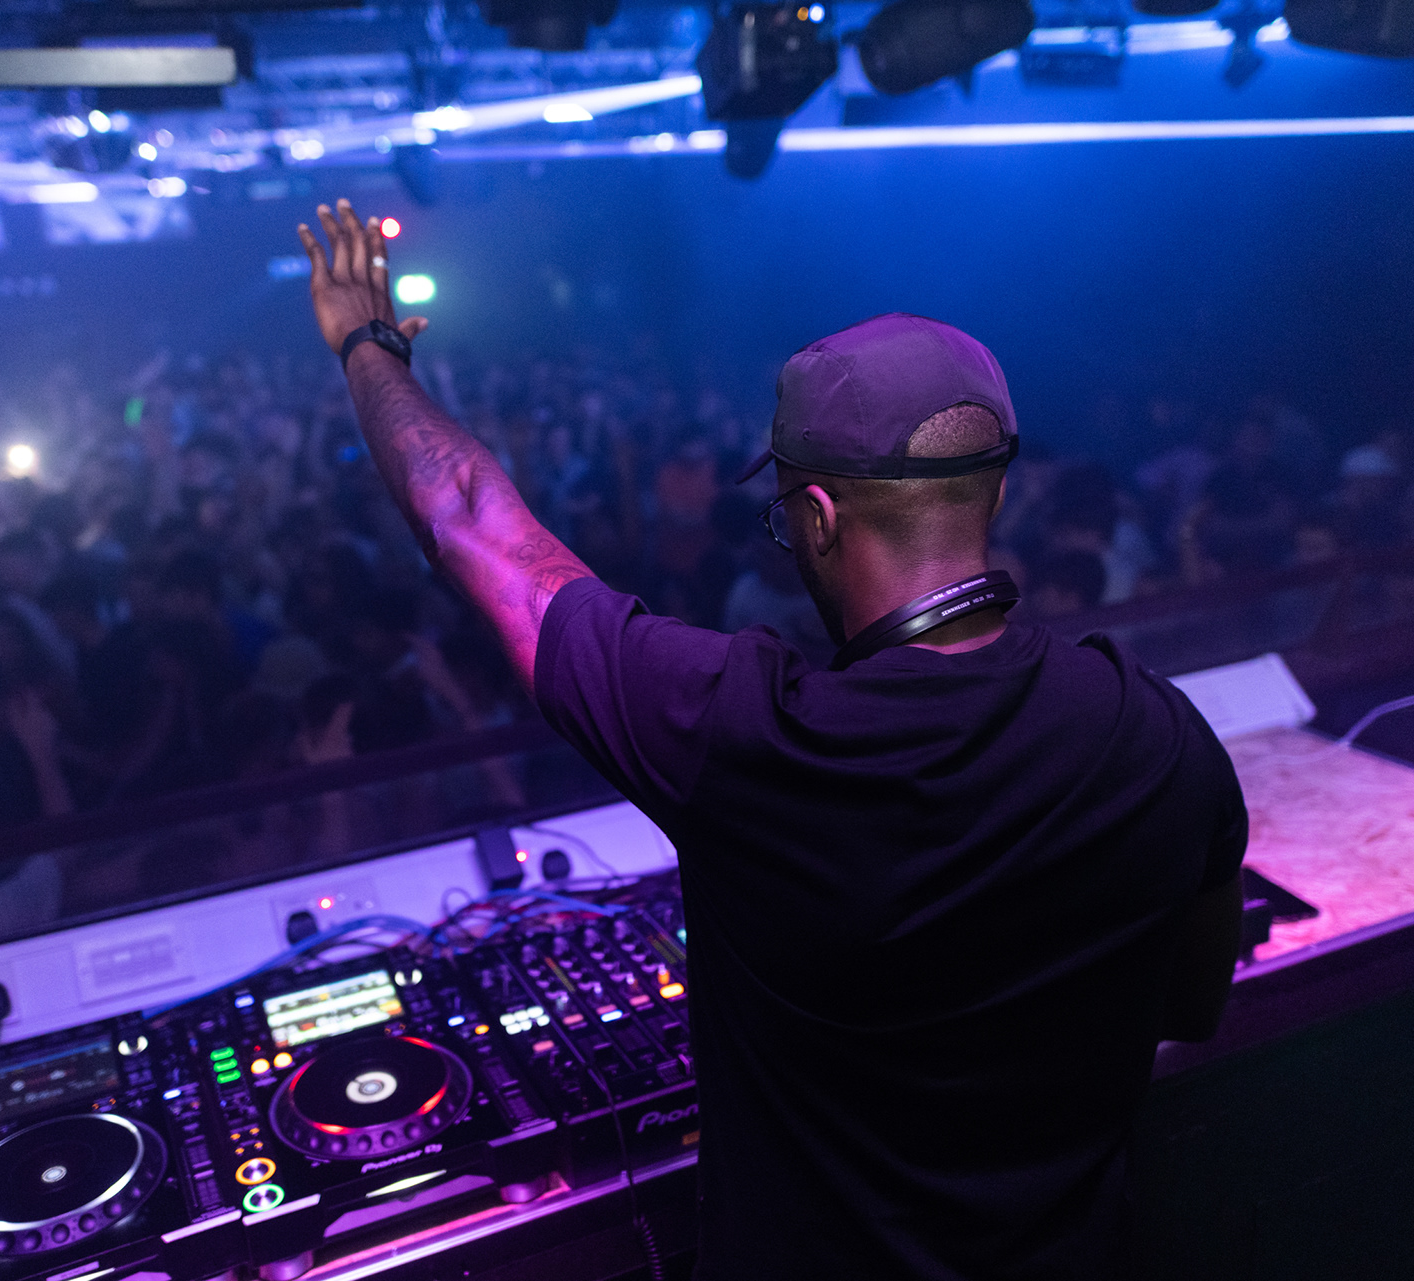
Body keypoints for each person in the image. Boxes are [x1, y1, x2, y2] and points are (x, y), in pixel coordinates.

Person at [294, 199, 1247, 1279]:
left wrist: (366, 345)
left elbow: (472, 522)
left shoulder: (750, 735)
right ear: (991, 494)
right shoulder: (1156, 730)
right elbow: (1193, 1004)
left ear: (819, 516)